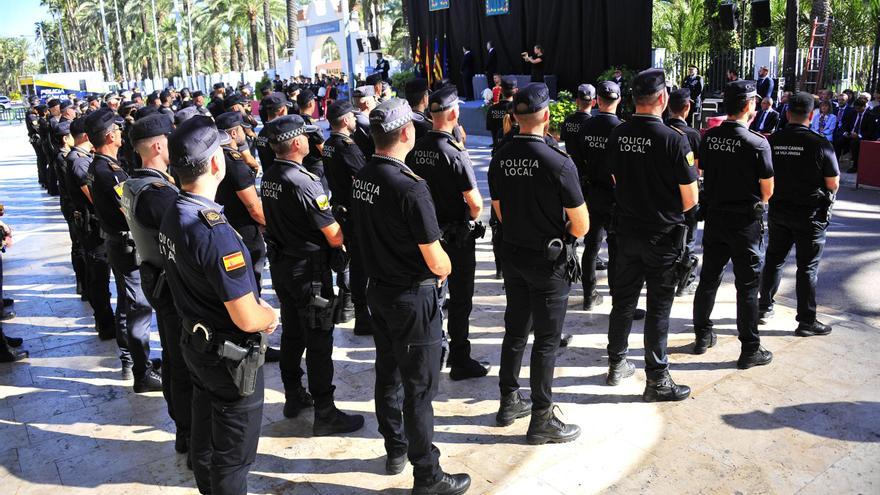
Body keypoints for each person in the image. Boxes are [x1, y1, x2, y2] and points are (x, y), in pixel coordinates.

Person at [351, 98, 471, 494]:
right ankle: (427, 474)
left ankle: (396, 448)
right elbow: (437, 261)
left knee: (389, 373)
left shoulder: (364, 175)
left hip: (379, 291)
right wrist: (449, 266)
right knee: (419, 387)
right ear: (407, 133)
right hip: (411, 297)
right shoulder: (411, 187)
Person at [159, 116, 276, 495]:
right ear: (215, 164)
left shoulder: (175, 212)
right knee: (233, 457)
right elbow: (246, 316)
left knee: (207, 443)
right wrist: (270, 316)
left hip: (196, 344)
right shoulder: (214, 232)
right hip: (228, 358)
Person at [489, 83, 588, 442]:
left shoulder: (500, 156)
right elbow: (581, 224)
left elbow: (498, 211)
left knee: (515, 330)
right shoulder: (558, 162)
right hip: (547, 262)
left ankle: (508, 401)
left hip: (514, 255)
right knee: (546, 339)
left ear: (514, 117)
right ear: (546, 116)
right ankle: (542, 419)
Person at [260, 114, 365, 434]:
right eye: (304, 136)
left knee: (293, 332)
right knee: (319, 341)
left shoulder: (270, 175)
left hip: (283, 266)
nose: (309, 139)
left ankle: (293, 394)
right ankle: (325, 411)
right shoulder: (304, 181)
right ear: (295, 143)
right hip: (309, 272)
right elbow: (333, 235)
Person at [605, 69, 699, 401]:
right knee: (658, 308)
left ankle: (617, 364)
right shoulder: (675, 140)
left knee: (624, 302)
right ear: (662, 99)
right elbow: (690, 199)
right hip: (662, 237)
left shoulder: (618, 134)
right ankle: (657, 380)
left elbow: (615, 179)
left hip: (627, 231)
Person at [122, 113, 194, 458]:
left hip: (157, 278)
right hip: (171, 284)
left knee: (174, 357)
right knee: (183, 363)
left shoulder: (137, 182)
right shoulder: (157, 193)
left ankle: (185, 430)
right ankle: (190, 433)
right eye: (169, 140)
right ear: (157, 145)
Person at [691, 80, 775, 368]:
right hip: (744, 223)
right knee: (748, 287)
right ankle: (750, 348)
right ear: (750, 105)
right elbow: (767, 191)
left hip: (716, 218)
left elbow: (701, 169)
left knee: (709, 280)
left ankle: (702, 335)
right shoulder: (757, 143)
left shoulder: (710, 137)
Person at [407, 85, 488, 381]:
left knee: (433, 297)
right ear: (454, 113)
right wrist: (470, 216)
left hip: (428, 236)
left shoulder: (418, 146)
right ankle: (460, 357)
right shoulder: (454, 151)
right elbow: (476, 203)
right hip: (456, 237)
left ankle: (432, 352)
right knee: (461, 299)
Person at [84, 108, 161, 392]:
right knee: (138, 306)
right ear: (109, 136)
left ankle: (132, 359)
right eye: (116, 130)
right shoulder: (108, 171)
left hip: (116, 242)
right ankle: (141, 370)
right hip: (125, 245)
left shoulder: (98, 165)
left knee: (128, 305)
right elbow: (129, 207)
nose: (119, 133)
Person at [759, 92, 840, 337]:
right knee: (807, 268)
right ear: (812, 115)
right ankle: (806, 321)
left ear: (786, 113)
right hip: (810, 215)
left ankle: (764, 308)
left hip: (779, 211)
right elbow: (833, 183)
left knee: (774, 259)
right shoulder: (820, 143)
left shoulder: (773, 141)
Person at [323, 100, 372, 336]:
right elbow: (363, 177)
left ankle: (347, 306)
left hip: (339, 207)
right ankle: (362, 316)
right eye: (352, 117)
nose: (355, 120)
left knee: (349, 261)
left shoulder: (329, 144)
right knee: (361, 265)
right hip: (353, 212)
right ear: (345, 121)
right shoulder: (347, 146)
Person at [65, 118, 116, 339]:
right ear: (86, 136)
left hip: (95, 224)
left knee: (100, 275)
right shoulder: (78, 161)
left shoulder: (83, 158)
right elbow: (94, 197)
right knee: (99, 276)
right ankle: (105, 323)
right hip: (92, 227)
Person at [577, 81, 624, 311]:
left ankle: (589, 294)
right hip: (615, 197)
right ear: (619, 101)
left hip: (592, 192)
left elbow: (578, 159)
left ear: (597, 101)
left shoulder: (586, 127)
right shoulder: (622, 129)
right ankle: (617, 298)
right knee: (615, 249)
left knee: (591, 246)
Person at [215, 112, 266, 290]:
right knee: (252, 279)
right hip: (245, 230)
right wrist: (270, 224)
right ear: (234, 134)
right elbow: (254, 208)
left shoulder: (216, 158)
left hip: (225, 227)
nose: (246, 132)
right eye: (242, 129)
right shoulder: (235, 163)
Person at [666, 89, 703, 297]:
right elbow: (697, 170)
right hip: (687, 193)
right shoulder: (693, 135)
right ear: (687, 108)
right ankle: (685, 281)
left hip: (665, 193)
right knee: (688, 238)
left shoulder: (662, 130)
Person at [561, 84, 595, 171]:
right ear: (594, 102)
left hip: (569, 167)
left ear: (577, 101)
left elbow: (563, 142)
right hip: (587, 170)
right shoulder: (593, 123)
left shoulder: (568, 120)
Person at [256, 92, 291, 172]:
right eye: (287, 108)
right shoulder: (281, 133)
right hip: (283, 178)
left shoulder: (262, 132)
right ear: (282, 110)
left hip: (269, 178)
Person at [836, 99, 870, 173]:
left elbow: (870, 131)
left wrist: (859, 135)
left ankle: (855, 166)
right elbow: (845, 125)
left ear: (864, 107)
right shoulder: (852, 113)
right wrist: (845, 132)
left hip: (861, 137)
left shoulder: (869, 115)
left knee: (854, 143)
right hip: (850, 134)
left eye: (859, 108)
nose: (857, 110)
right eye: (856, 108)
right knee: (839, 140)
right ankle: (835, 163)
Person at [486, 77, 517, 148]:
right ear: (516, 90)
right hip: (513, 148)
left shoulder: (492, 109)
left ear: (501, 90)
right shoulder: (517, 109)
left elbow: (489, 127)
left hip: (498, 150)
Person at [351, 86, 378, 159]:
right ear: (367, 103)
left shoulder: (352, 117)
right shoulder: (365, 122)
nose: (376, 101)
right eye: (374, 99)